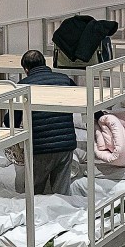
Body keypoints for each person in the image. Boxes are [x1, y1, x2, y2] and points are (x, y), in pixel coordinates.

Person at [15, 50, 78, 195]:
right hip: (65, 145)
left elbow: (12, 120)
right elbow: (86, 98)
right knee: (62, 195)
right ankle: (63, 217)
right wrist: (100, 116)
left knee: (35, 194)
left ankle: (36, 217)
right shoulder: (65, 80)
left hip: (39, 148)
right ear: (45, 63)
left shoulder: (22, 86)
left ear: (26, 69)